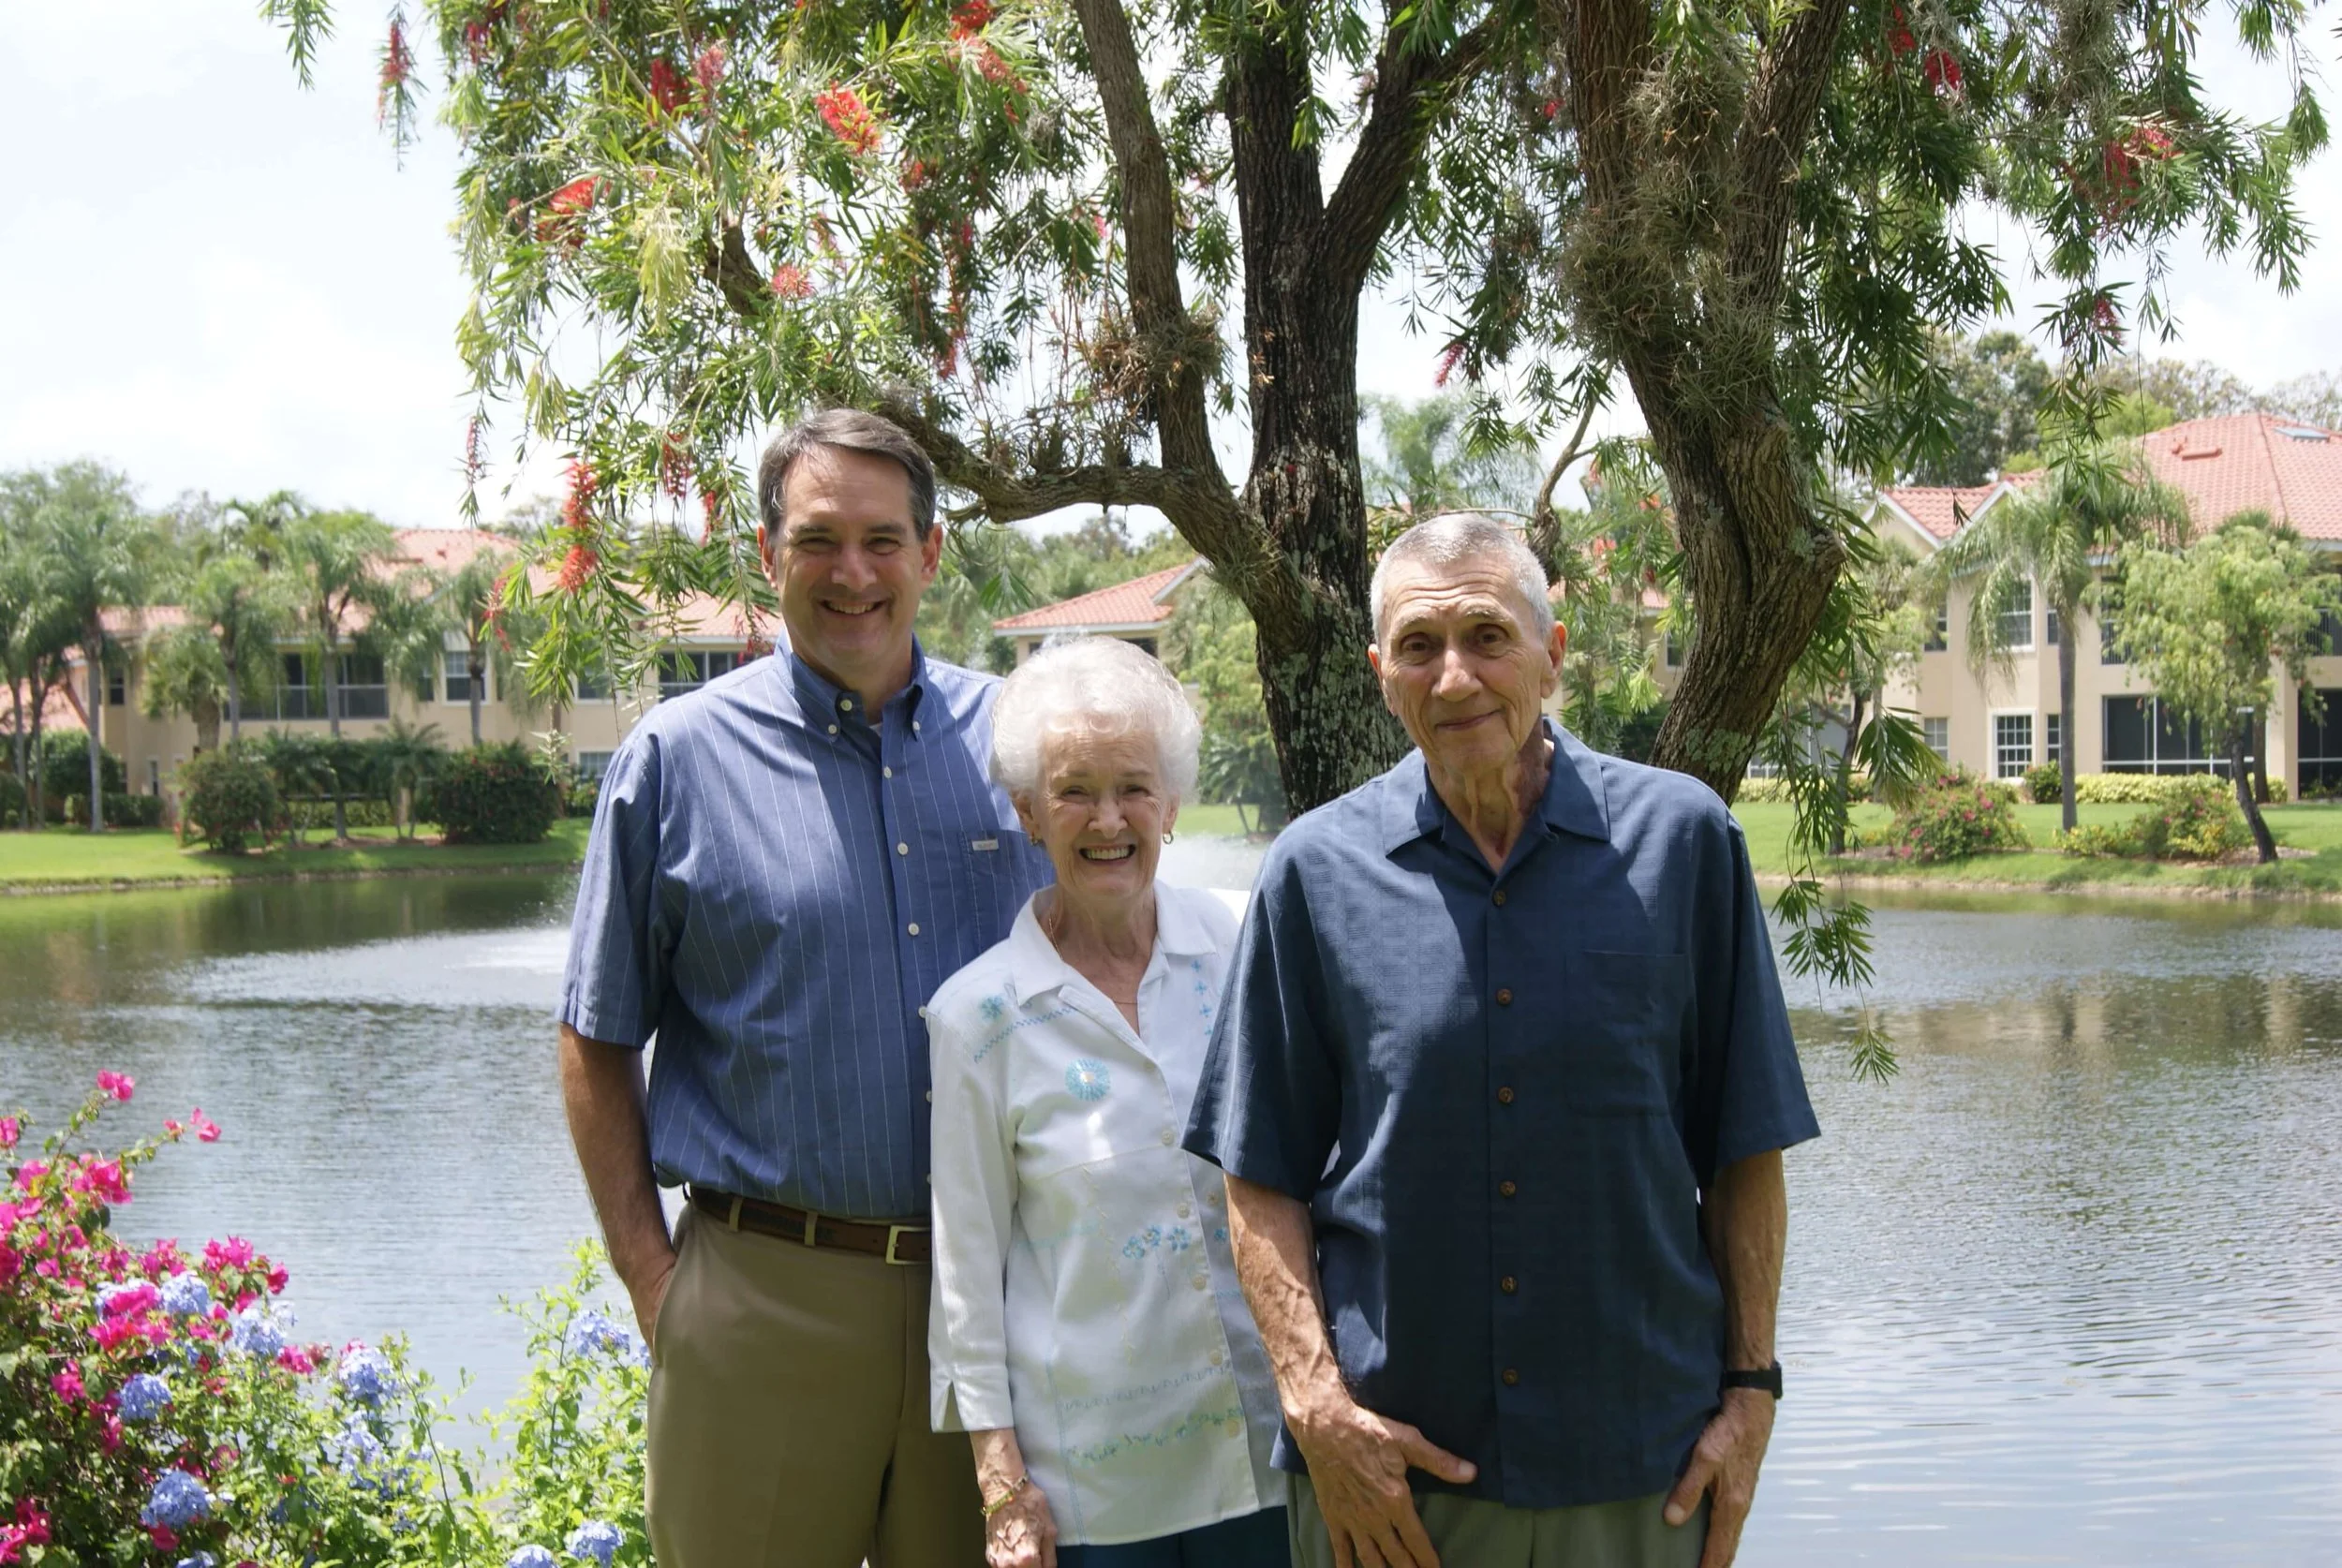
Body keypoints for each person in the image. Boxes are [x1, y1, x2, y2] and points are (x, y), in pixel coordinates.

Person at [1184, 513, 1819, 1568]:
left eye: (1487, 637)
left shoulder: (1685, 843)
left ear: (1552, 652)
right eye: (1420, 648)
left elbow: (1744, 1146)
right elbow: (1259, 1179)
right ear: (1381, 671)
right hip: (1394, 1482)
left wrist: (1751, 1392)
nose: (1455, 678)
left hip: (1639, 1475)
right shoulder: (1313, 872)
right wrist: (1312, 1403)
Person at [557, 408, 1054, 1568]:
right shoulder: (674, 762)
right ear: (766, 552)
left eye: (884, 540)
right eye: (819, 539)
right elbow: (594, 1040)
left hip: (995, 1307)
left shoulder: (1024, 745)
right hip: (761, 1298)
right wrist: (654, 1285)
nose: (853, 573)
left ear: (931, 555)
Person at [926, 638, 1289, 1568]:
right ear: (1026, 812)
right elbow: (967, 1276)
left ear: (1171, 803)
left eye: (1133, 785)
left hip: (1269, 1454)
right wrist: (1002, 1487)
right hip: (1092, 1490)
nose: (1107, 818)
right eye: (1073, 789)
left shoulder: (1247, 944)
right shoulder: (978, 1017)